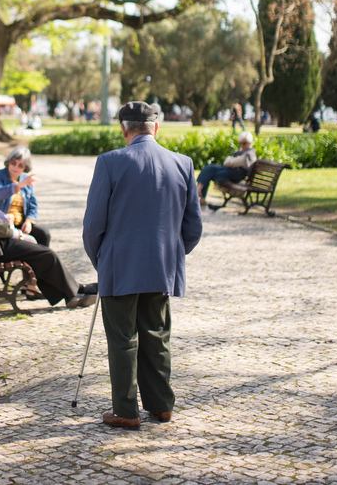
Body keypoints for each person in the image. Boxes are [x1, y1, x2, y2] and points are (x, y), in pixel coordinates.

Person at [82, 101, 203, 430]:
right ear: (156, 127)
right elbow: (193, 228)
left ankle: (125, 410)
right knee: (157, 335)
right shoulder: (182, 163)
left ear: (124, 130)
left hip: (120, 265)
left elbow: (93, 226)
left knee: (123, 339)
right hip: (161, 266)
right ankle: (161, 405)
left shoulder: (110, 162)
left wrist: (102, 261)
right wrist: (173, 255)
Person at [0, 149, 95, 309]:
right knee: (46, 254)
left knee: (41, 248)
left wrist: (20, 223)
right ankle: (75, 292)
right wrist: (15, 233)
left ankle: (72, 292)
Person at [0, 147, 51, 248]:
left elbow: (33, 205)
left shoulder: (26, 179)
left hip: (21, 223)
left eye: (20, 165)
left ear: (25, 168)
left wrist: (29, 221)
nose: (15, 167)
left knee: (43, 234)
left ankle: (41, 261)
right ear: (8, 162)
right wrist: (19, 185)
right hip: (3, 225)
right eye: (13, 163)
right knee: (28, 244)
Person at [194, 132, 257, 206]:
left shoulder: (249, 154)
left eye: (244, 143)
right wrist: (232, 161)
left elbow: (228, 162)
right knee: (209, 168)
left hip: (235, 175)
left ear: (249, 143)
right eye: (241, 143)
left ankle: (198, 193)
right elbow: (228, 162)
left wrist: (231, 160)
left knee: (209, 172)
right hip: (230, 172)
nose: (242, 145)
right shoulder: (242, 152)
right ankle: (199, 193)